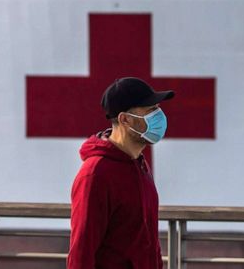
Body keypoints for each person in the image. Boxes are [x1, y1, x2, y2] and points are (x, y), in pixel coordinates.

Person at [67, 77, 174, 269]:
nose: (159, 115)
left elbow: (149, 244)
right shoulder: (95, 174)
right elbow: (81, 251)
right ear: (125, 119)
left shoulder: (139, 165)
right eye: (150, 110)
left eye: (158, 108)